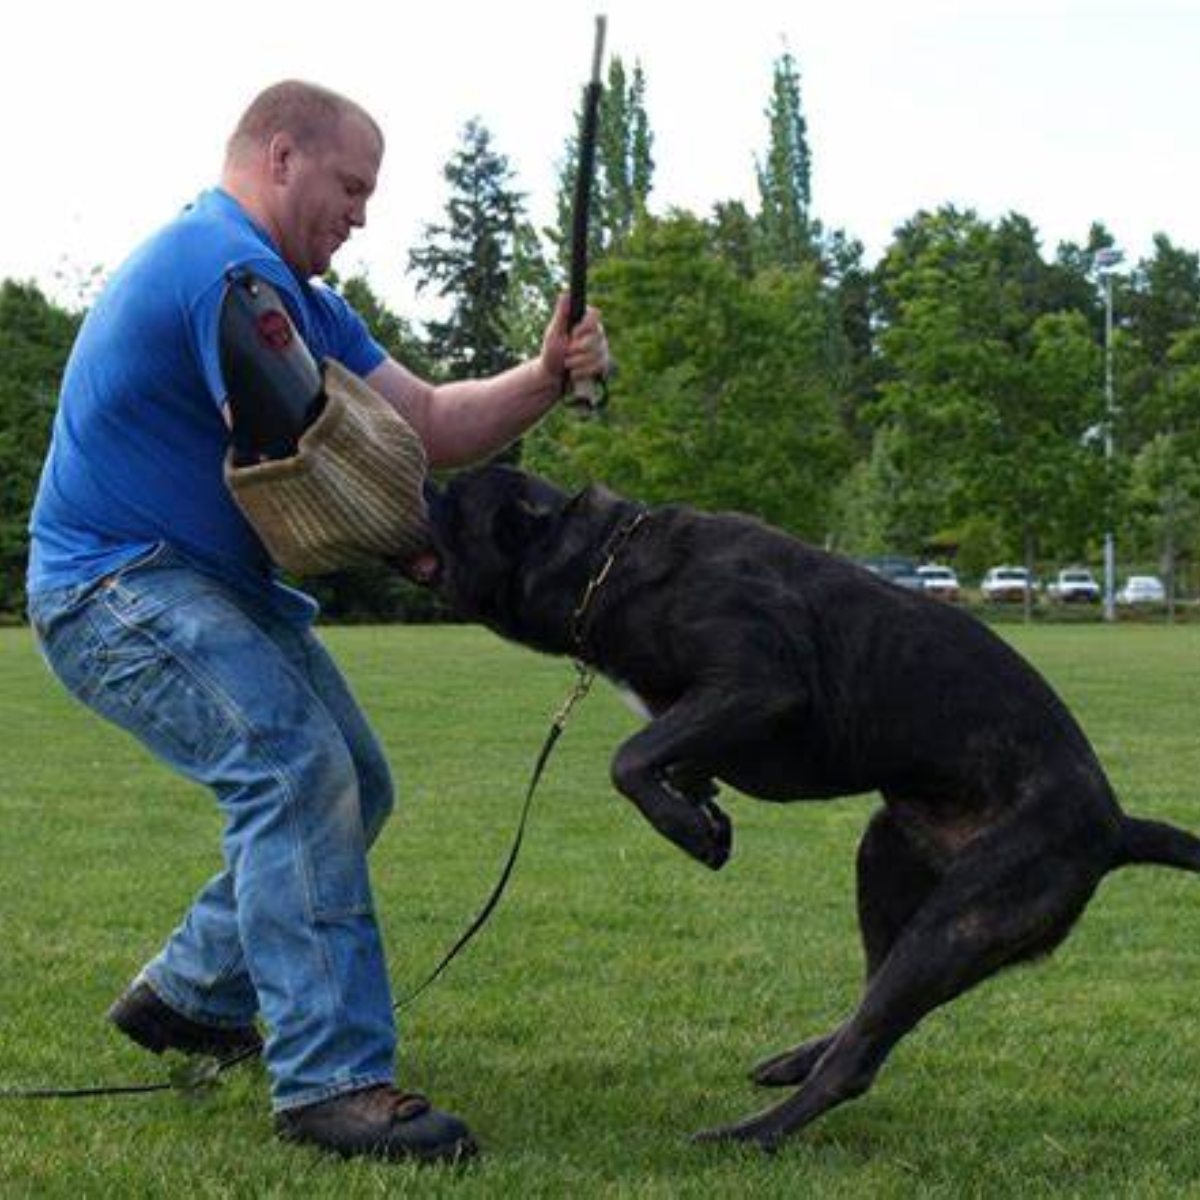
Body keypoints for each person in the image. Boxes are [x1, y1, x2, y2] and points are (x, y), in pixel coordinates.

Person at [25, 79, 609, 1165]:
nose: (362, 212)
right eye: (352, 186)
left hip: (204, 587)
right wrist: (448, 559)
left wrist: (541, 374)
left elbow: (426, 422)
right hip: (116, 586)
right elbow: (333, 462)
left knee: (357, 778)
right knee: (298, 771)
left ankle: (190, 996)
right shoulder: (225, 273)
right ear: (281, 156)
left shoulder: (294, 292)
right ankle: (330, 1083)